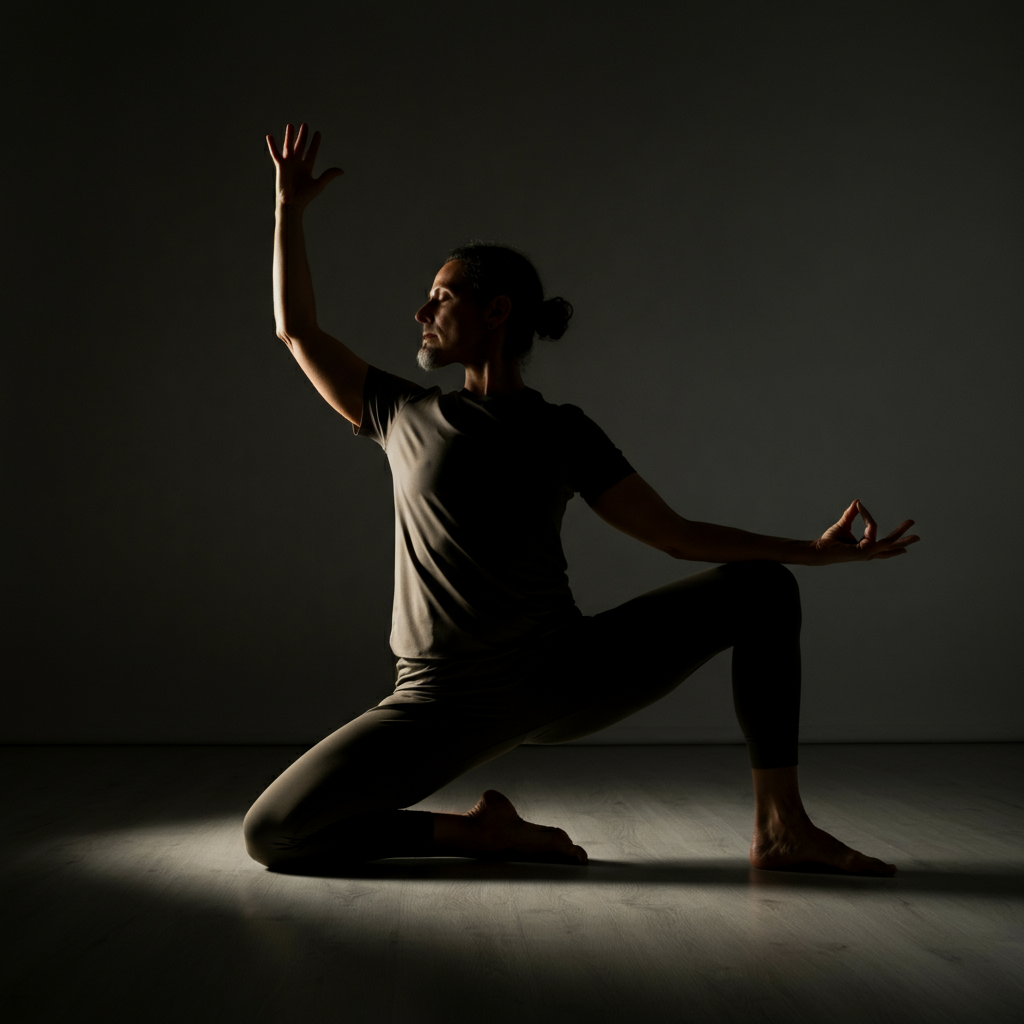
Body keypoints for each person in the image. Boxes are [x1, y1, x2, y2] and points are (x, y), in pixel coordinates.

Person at [243, 123, 920, 876]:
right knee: (275, 833)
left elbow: (676, 537)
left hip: (557, 675)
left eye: (439, 296)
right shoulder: (401, 413)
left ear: (496, 311)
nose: (420, 312)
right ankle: (481, 835)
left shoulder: (562, 432)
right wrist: (288, 211)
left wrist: (810, 552)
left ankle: (782, 827)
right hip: (440, 697)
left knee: (763, 589)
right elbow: (295, 329)